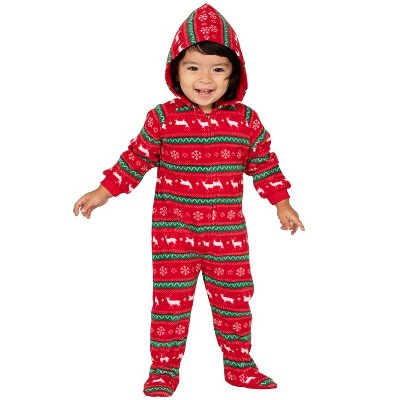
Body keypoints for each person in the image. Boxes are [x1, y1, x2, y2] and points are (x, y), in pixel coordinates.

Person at [73, 3, 305, 397]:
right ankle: (163, 369)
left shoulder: (245, 120)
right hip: (173, 233)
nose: (205, 79)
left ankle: (239, 365)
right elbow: (135, 159)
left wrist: (282, 203)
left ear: (233, 74)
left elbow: (264, 164)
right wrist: (103, 192)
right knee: (170, 306)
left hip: (228, 235)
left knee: (236, 303)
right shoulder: (162, 119)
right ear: (176, 70)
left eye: (218, 69)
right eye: (193, 67)